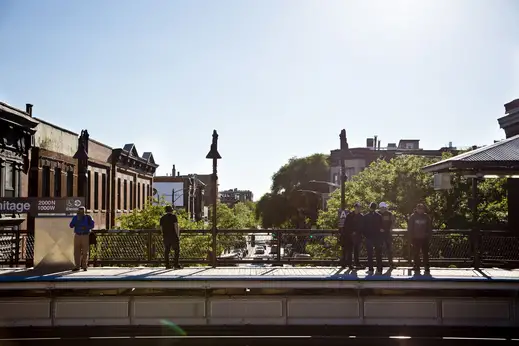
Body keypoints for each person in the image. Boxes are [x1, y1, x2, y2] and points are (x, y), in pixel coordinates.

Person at [407, 203, 432, 273]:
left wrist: (429, 236)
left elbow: (429, 227)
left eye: (422, 209)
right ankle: (417, 266)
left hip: (424, 238)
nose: (421, 210)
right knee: (416, 253)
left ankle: (426, 266)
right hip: (415, 238)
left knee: (425, 253)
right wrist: (410, 238)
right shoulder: (413, 217)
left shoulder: (426, 217)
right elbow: (410, 228)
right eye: (419, 209)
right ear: (417, 209)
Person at [69, 206, 95, 271]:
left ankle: (84, 266)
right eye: (80, 210)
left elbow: (92, 225)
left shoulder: (88, 217)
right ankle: (77, 266)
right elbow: (71, 225)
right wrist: (76, 220)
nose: (81, 212)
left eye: (82, 210)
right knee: (76, 252)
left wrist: (86, 227)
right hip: (77, 235)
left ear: (85, 211)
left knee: (85, 252)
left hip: (85, 235)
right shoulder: (75, 217)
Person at [342, 202, 364, 269]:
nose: (358, 209)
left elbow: (362, 226)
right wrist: (350, 232)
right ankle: (349, 264)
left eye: (359, 207)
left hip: (357, 235)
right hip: (349, 235)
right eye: (357, 207)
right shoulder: (349, 215)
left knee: (356, 250)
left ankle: (357, 263)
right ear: (355, 208)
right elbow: (346, 225)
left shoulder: (361, 216)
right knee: (349, 250)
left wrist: (357, 232)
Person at [363, 202, 383, 273]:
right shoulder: (379, 216)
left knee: (370, 254)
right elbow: (381, 227)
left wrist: (366, 235)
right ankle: (379, 269)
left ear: (370, 207)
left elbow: (363, 228)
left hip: (369, 237)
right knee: (378, 253)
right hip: (377, 237)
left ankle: (371, 269)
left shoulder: (365, 216)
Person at [160, 205, 181, 269]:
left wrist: (162, 235)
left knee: (167, 251)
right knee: (176, 250)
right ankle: (176, 265)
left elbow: (161, 228)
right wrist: (177, 235)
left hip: (166, 236)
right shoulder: (174, 217)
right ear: (171, 210)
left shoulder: (162, 218)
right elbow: (176, 226)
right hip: (173, 236)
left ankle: (167, 265)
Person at [379, 202, 395, 268]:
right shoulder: (377, 214)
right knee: (379, 249)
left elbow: (393, 222)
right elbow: (374, 223)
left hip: (388, 234)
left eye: (384, 207)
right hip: (379, 235)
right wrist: (379, 229)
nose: (383, 208)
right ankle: (380, 264)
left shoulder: (389, 214)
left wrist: (391, 228)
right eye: (382, 207)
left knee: (389, 249)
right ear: (380, 208)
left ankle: (391, 263)